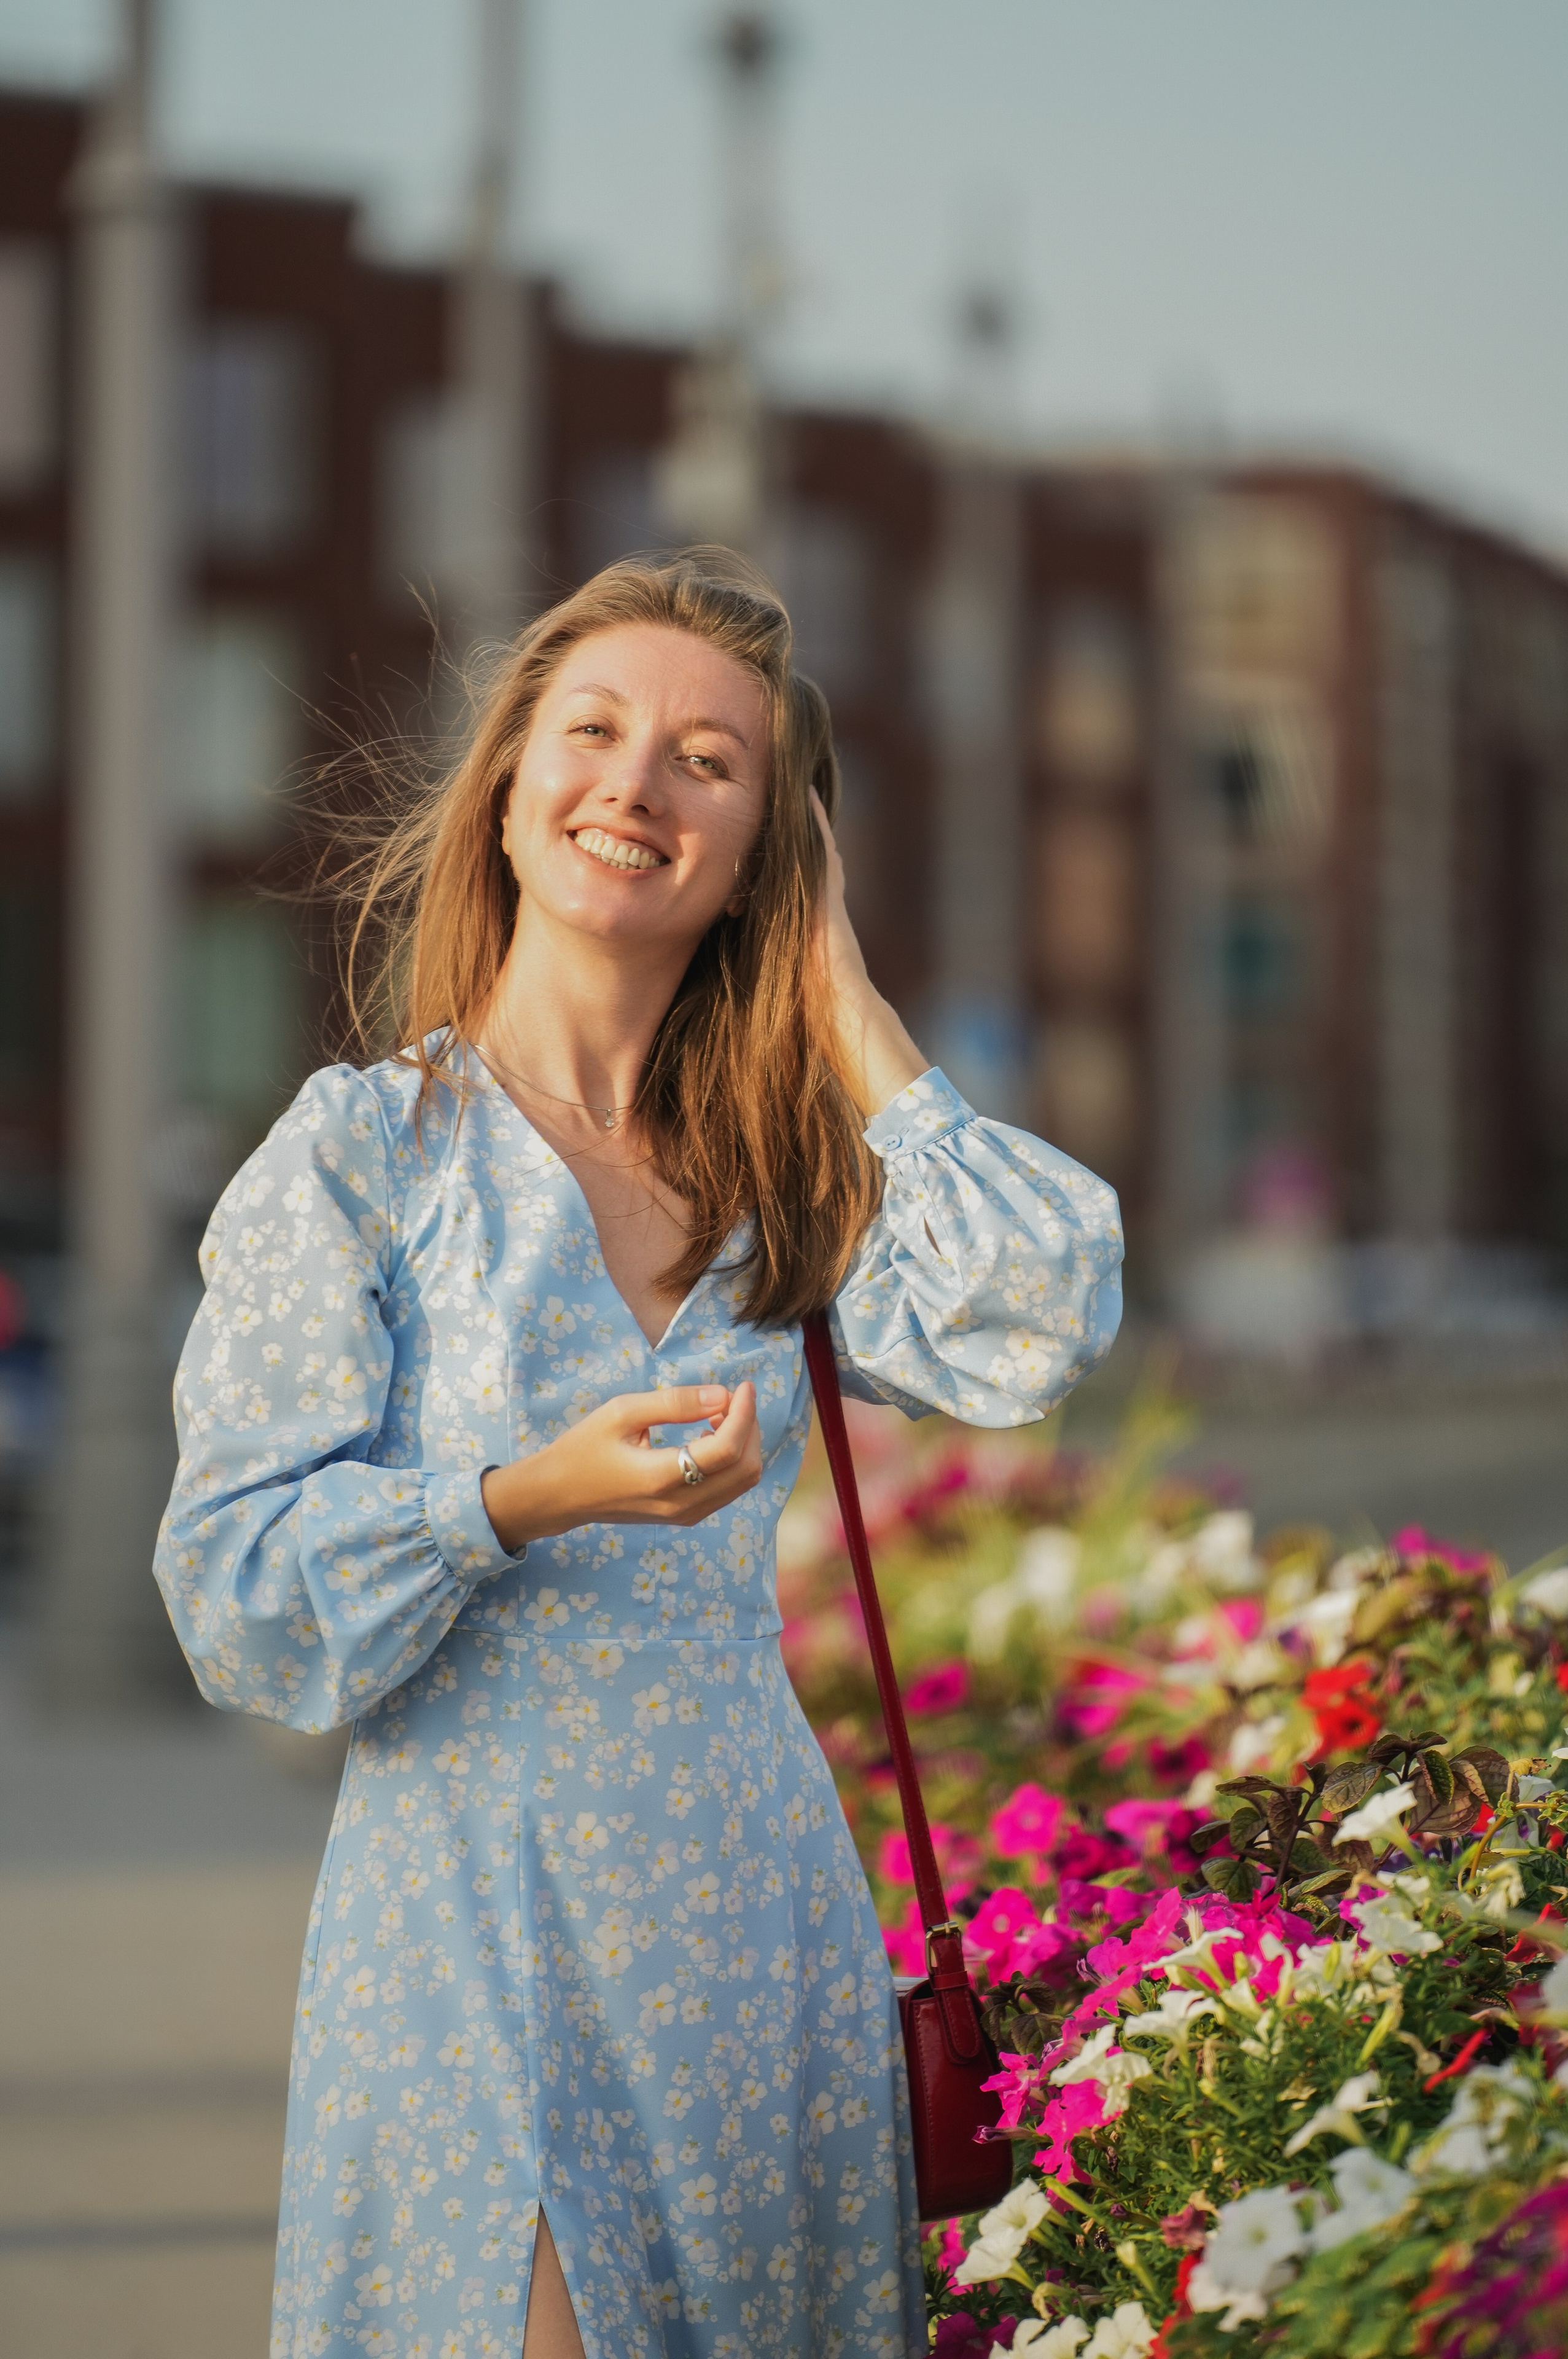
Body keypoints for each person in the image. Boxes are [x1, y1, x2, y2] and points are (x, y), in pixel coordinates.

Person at [154, 554, 1123, 2359]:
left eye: (709, 761)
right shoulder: (364, 1154)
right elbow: (235, 1595)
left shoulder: (787, 1178)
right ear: (509, 789)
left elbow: (1043, 1311)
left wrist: (848, 1005)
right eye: (593, 731)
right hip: (466, 1921)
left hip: (760, 1933)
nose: (637, 784)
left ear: (765, 853)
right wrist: (522, 1500)